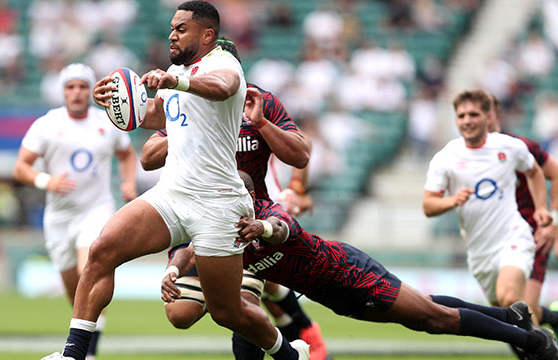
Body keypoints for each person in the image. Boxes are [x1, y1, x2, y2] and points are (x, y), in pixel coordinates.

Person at [42, 2, 309, 360]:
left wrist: (176, 80)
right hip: (173, 193)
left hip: (218, 201)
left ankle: (291, 356)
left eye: (181, 28)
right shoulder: (176, 71)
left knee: (226, 311)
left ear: (207, 34)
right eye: (172, 27)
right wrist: (113, 103)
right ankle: (73, 355)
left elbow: (223, 86)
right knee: (102, 250)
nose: (172, 34)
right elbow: (152, 113)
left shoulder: (223, 63)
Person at [162, 170, 558, 360]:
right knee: (422, 308)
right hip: (334, 294)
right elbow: (189, 249)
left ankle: (534, 342)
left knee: (432, 318)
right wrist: (172, 271)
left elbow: (283, 229)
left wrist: (261, 226)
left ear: (245, 195)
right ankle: (510, 315)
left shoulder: (265, 212)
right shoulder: (216, 229)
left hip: (350, 272)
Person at [141, 37, 327, 360]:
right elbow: (146, 157)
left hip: (247, 218)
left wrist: (295, 191)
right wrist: (185, 134)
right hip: (197, 211)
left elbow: (301, 151)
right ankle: (292, 331)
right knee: (180, 314)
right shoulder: (186, 100)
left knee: (244, 304)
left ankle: (301, 333)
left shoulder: (258, 102)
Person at [13, 63, 138, 360]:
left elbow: (127, 154)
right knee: (76, 291)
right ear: (63, 92)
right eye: (71, 87)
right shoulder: (47, 124)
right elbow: (20, 167)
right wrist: (47, 180)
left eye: (82, 86)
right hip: (59, 218)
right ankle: (85, 342)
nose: (77, 92)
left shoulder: (107, 122)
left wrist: (129, 182)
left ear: (90, 90)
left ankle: (88, 353)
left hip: (96, 209)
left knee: (90, 270)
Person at [423, 89, 552, 311]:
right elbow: (428, 205)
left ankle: (539, 338)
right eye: (461, 116)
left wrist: (542, 208)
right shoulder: (446, 157)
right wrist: (452, 201)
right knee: (506, 316)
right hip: (480, 251)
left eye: (474, 115)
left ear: (487, 117)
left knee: (509, 297)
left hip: (514, 236)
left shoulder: (509, 146)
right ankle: (542, 338)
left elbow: (535, 172)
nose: (467, 121)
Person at [488, 95, 558, 334]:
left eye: (485, 114)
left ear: (497, 117)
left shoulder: (521, 147)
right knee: (511, 312)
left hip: (530, 233)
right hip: (493, 241)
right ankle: (551, 317)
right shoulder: (461, 156)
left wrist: (553, 221)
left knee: (519, 308)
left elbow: (555, 173)